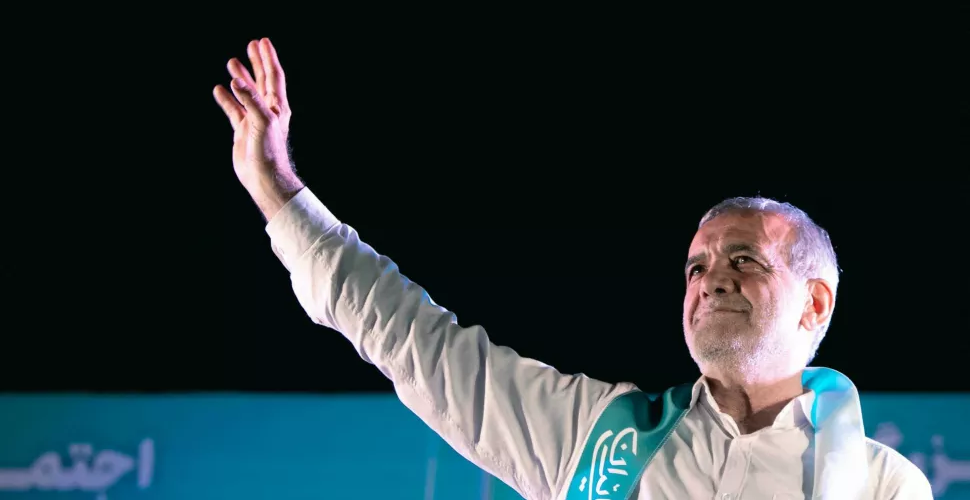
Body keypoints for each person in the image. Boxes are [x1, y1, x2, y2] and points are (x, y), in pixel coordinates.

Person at [215, 38, 933, 500]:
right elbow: (417, 343)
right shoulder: (598, 437)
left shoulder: (881, 484)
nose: (711, 280)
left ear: (815, 303)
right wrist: (278, 191)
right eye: (696, 267)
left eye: (744, 260)